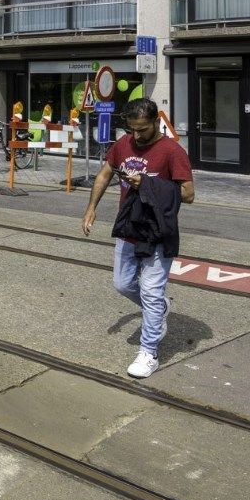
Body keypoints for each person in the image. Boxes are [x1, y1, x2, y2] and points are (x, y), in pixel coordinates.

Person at [82, 97, 195, 379]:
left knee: (151, 291)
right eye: (132, 129)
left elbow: (188, 194)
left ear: (157, 122)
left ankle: (149, 351)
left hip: (158, 231)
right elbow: (104, 175)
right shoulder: (123, 145)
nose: (137, 135)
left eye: (142, 129)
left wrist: (148, 183)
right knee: (122, 284)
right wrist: (91, 208)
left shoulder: (172, 151)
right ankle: (159, 309)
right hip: (129, 228)